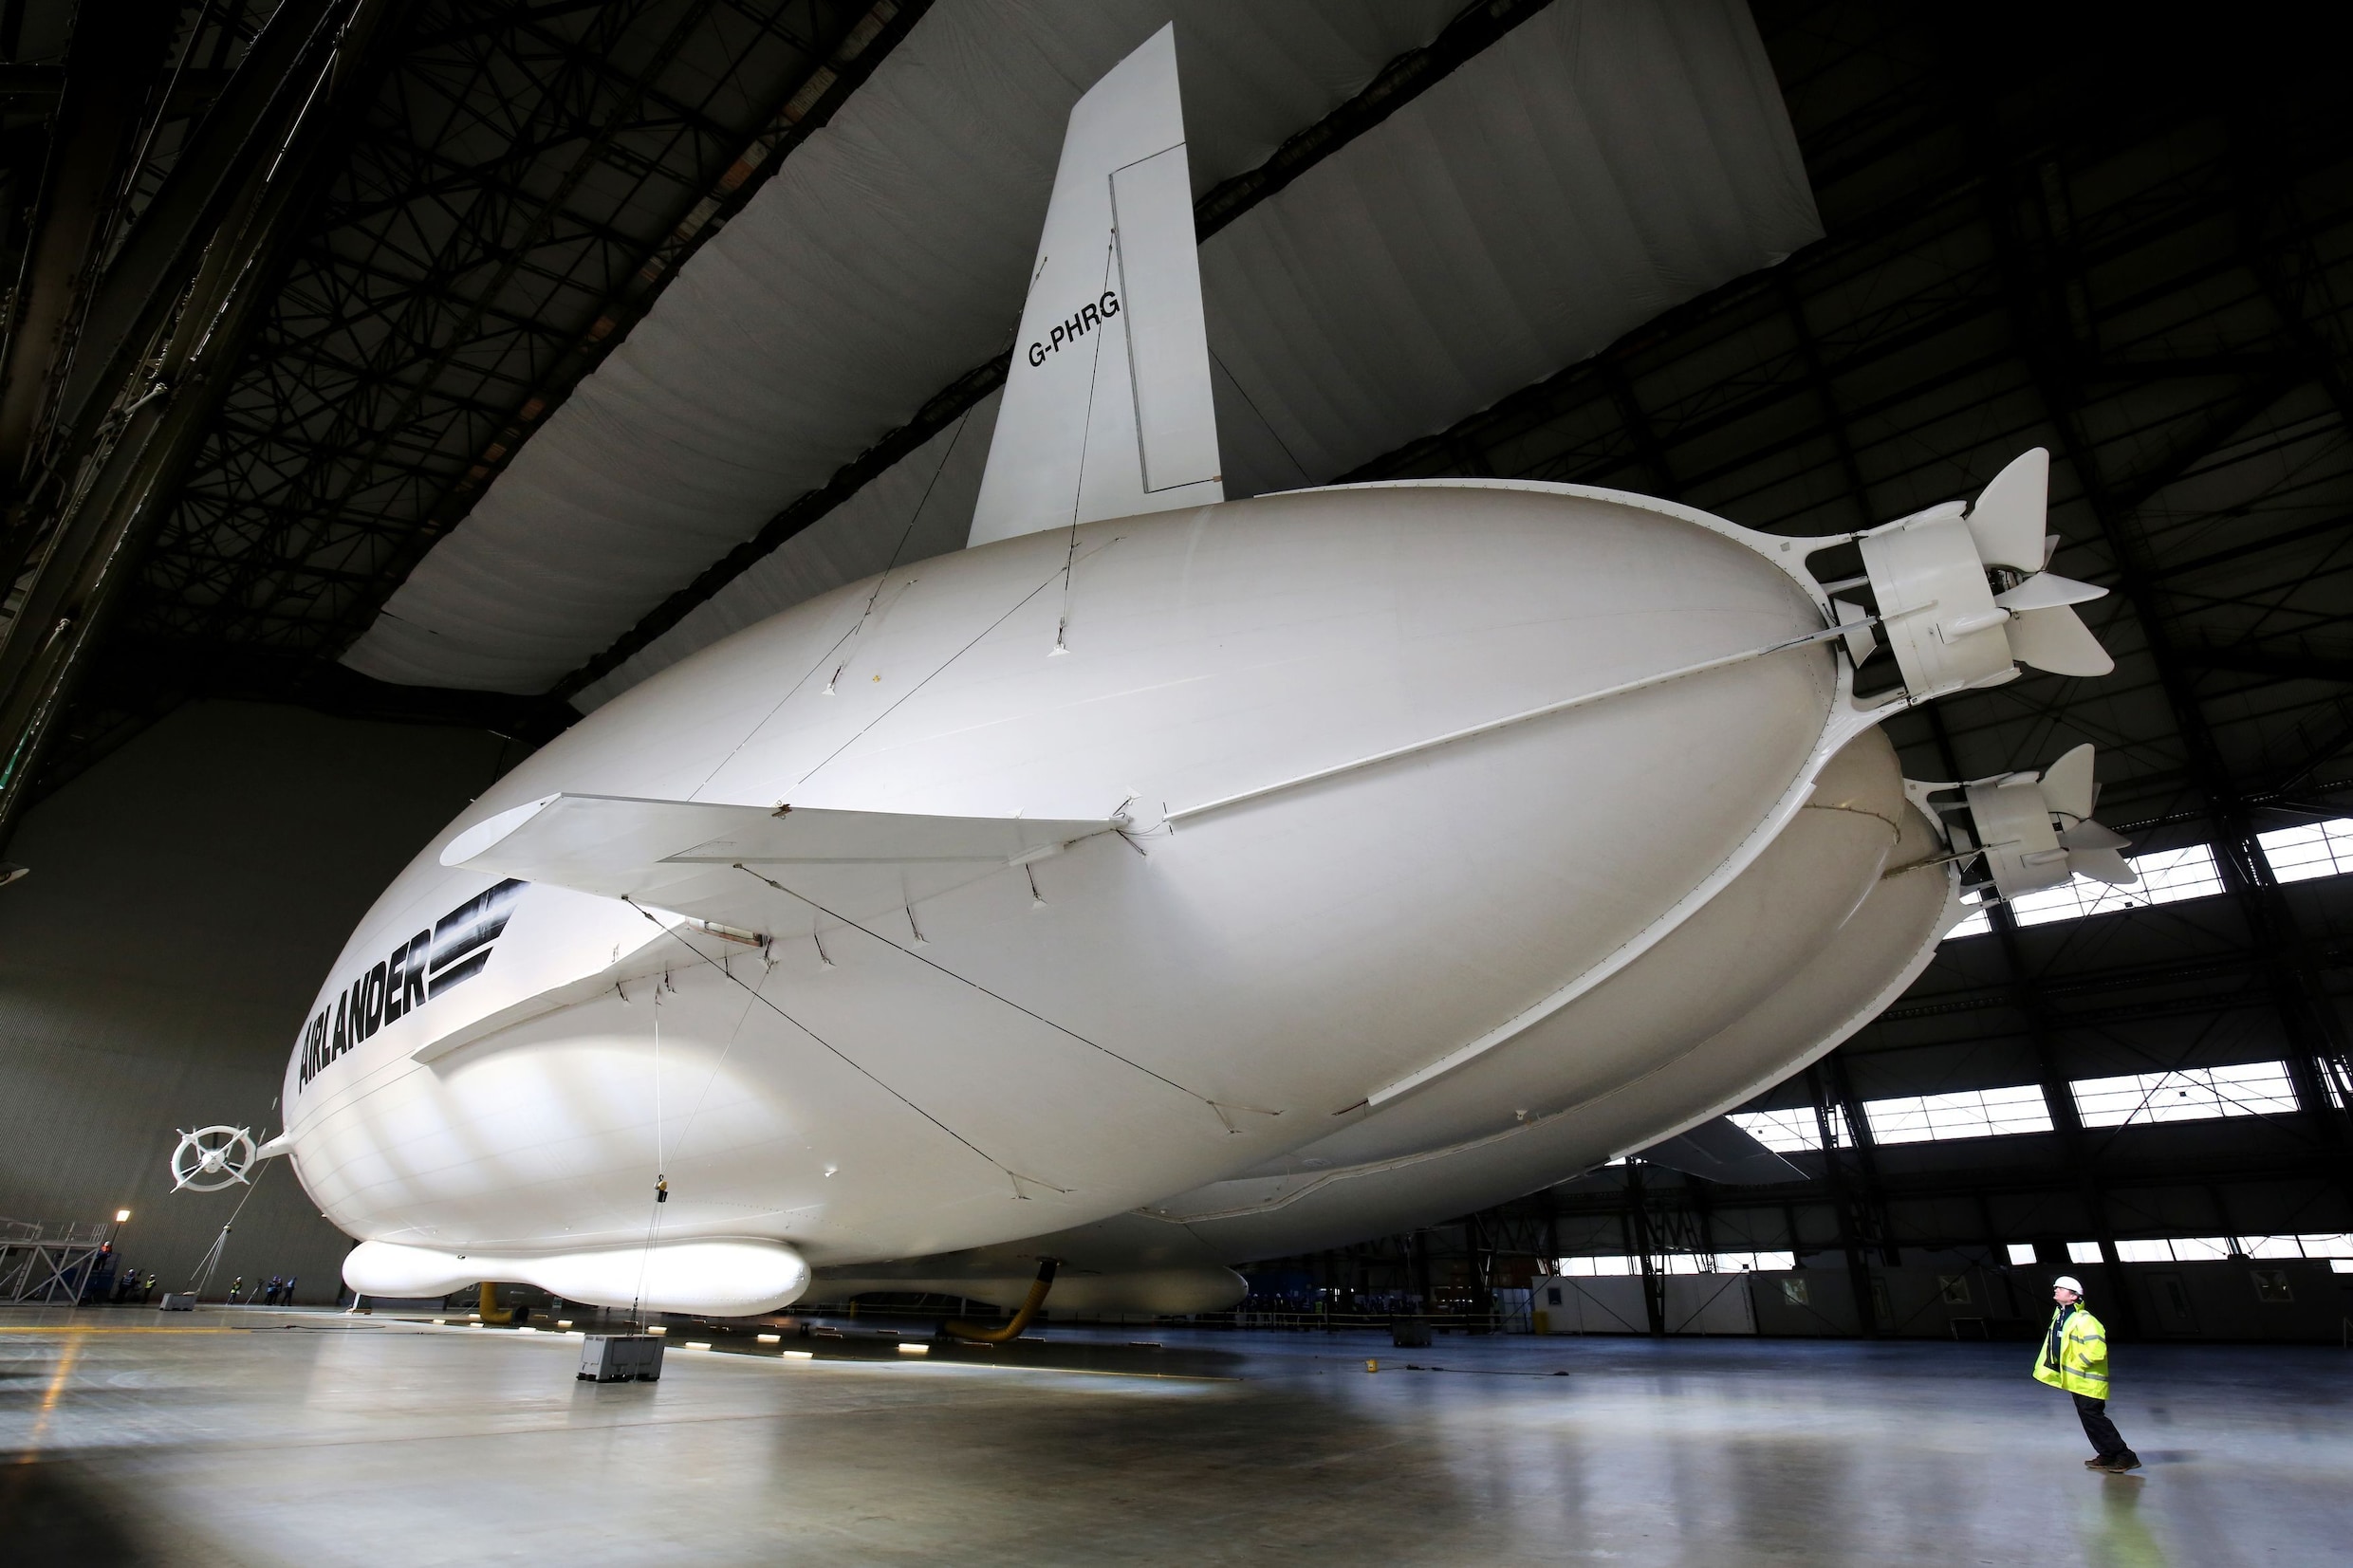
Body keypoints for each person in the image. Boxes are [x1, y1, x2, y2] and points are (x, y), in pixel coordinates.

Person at [2035, 1275, 2140, 1474]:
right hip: (2076, 1381)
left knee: (2095, 1418)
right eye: (2056, 1287)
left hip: (2089, 1381)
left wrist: (2078, 1364)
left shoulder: (2085, 1321)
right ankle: (2108, 1455)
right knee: (2088, 1419)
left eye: (2061, 1288)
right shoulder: (2060, 1317)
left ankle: (2125, 1455)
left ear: (2073, 1296)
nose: (2056, 1290)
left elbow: (2096, 1351)